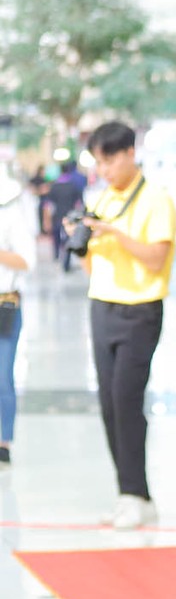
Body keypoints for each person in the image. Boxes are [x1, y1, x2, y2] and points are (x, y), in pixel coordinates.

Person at [80, 122, 176, 528]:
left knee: (126, 401)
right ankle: (130, 494)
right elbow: (92, 265)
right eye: (99, 163)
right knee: (108, 404)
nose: (104, 170)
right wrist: (82, 242)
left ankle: (136, 494)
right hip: (102, 305)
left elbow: (155, 259)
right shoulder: (102, 199)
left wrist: (114, 233)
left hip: (140, 310)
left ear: (130, 154)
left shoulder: (156, 200)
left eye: (110, 161)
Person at [0, 166, 37, 468]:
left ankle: (3, 441)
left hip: (5, 306)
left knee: (2, 377)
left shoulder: (11, 215)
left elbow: (27, 260)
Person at [44, 158, 85, 271]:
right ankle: (66, 262)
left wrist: (46, 220)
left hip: (57, 216)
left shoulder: (54, 186)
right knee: (67, 239)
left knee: (56, 237)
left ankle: (56, 255)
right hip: (69, 217)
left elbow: (48, 205)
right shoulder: (73, 186)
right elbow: (79, 203)